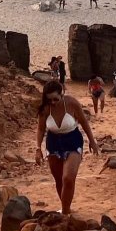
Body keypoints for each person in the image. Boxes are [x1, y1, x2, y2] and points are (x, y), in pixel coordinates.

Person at [35, 81, 98, 215]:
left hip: (73, 141)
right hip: (53, 143)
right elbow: (40, 130)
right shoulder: (45, 109)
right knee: (58, 179)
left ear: (62, 93)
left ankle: (64, 212)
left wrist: (92, 141)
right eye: (49, 99)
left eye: (56, 99)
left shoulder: (72, 103)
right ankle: (66, 209)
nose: (53, 102)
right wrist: (38, 149)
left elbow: (84, 122)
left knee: (68, 178)